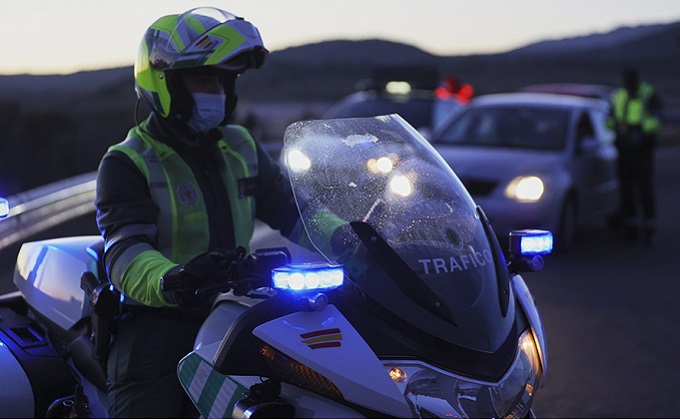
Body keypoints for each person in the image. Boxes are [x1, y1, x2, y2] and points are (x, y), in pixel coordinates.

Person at [94, 7, 327, 418]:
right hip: (159, 320)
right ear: (165, 82)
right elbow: (125, 254)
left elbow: (294, 212)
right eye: (204, 78)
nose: (217, 91)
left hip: (235, 307)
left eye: (224, 80)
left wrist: (354, 239)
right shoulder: (127, 162)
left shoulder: (239, 145)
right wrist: (175, 278)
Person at [608, 68, 662, 246]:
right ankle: (630, 230)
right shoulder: (618, 96)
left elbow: (656, 119)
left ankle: (648, 231)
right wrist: (619, 129)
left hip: (643, 151)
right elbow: (609, 119)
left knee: (645, 191)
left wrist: (641, 133)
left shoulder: (648, 94)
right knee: (626, 192)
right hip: (624, 150)